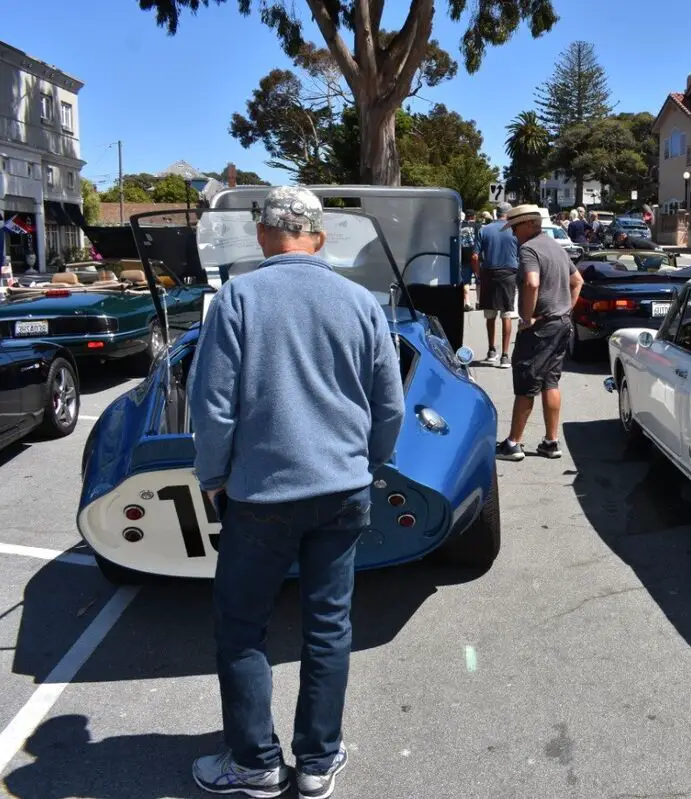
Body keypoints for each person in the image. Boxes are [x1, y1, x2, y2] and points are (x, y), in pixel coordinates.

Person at [188, 186, 406, 798]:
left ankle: (255, 763)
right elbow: (389, 404)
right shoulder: (361, 303)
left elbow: (213, 407)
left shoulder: (238, 298)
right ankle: (316, 760)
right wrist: (370, 460)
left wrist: (213, 477)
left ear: (263, 235)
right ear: (319, 235)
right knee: (329, 625)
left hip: (261, 496)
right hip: (342, 489)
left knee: (241, 628)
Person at [495, 204, 583, 461]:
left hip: (541, 326)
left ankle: (513, 443)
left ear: (529, 224)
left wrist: (527, 317)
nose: (513, 234)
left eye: (515, 228)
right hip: (561, 323)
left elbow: (531, 283)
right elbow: (577, 281)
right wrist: (566, 309)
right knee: (550, 381)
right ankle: (551, 442)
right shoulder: (556, 246)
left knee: (526, 381)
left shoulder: (529, 248)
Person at [477, 202, 520, 367]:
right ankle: (505, 355)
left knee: (490, 315)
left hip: (489, 273)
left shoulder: (485, 230)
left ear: (497, 213)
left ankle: (491, 350)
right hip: (509, 274)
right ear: (509, 214)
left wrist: (478, 274)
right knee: (507, 314)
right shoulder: (514, 230)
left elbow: (475, 256)